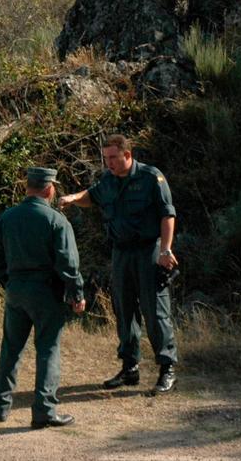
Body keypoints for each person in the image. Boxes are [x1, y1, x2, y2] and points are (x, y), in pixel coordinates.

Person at [59, 134, 179, 395]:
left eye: (113, 157)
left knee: (154, 309)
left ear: (127, 155)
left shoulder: (150, 177)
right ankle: (130, 368)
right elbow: (92, 196)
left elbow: (167, 215)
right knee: (124, 310)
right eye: (105, 158)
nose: (109, 163)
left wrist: (165, 250)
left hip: (149, 250)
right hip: (121, 252)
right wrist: (72, 198)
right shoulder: (109, 181)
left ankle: (167, 368)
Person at [0, 167, 86, 429]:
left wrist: (8, 282)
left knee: (11, 349)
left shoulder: (7, 218)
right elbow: (68, 263)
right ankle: (44, 411)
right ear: (49, 188)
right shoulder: (55, 220)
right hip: (46, 292)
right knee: (48, 350)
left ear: (28, 187)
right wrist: (76, 292)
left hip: (16, 290)